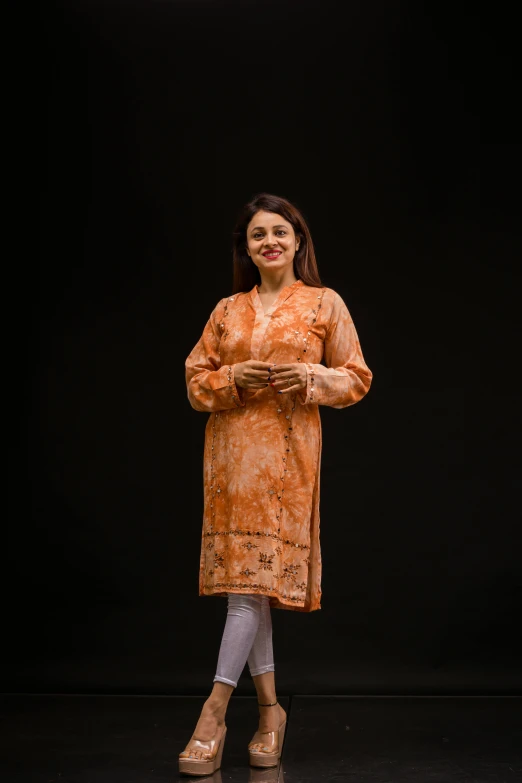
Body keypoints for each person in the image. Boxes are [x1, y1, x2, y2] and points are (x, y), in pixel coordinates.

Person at [179, 193, 373, 775]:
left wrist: (310, 375)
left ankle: (212, 713)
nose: (270, 242)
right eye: (258, 234)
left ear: (298, 242)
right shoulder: (227, 310)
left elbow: (357, 378)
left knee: (248, 593)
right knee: (249, 590)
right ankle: (269, 714)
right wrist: (232, 376)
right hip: (231, 463)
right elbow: (195, 383)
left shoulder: (324, 304)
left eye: (280, 233)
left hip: (287, 466)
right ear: (246, 247)